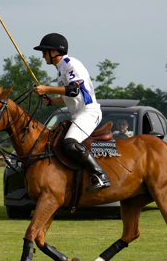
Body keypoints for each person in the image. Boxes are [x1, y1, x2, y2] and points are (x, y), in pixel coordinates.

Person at [31, 33, 111, 191]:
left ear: (54, 52)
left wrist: (46, 88)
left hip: (89, 112)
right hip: (78, 113)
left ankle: (101, 176)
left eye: (44, 51)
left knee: (70, 143)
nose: (42, 56)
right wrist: (54, 99)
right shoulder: (61, 69)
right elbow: (72, 96)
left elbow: (73, 90)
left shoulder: (70, 63)